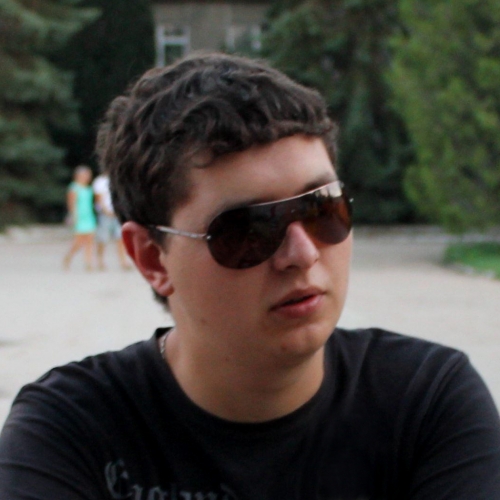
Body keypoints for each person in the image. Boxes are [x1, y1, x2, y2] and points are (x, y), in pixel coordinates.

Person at [1, 52, 499, 499]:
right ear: (153, 259)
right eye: (248, 230)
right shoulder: (70, 434)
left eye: (323, 208)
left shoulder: (427, 403)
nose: (302, 253)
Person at [92, 172, 130, 270]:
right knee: (103, 238)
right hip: (105, 213)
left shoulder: (118, 180)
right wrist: (105, 210)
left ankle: (123, 261)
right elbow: (98, 199)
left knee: (120, 238)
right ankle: (100, 261)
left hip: (117, 213)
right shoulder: (100, 182)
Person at [62, 165, 96, 271]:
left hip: (89, 216)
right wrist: (74, 216)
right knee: (79, 241)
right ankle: (69, 256)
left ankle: (88, 262)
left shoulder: (88, 188)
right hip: (79, 217)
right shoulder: (74, 188)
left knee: (90, 240)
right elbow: (71, 204)